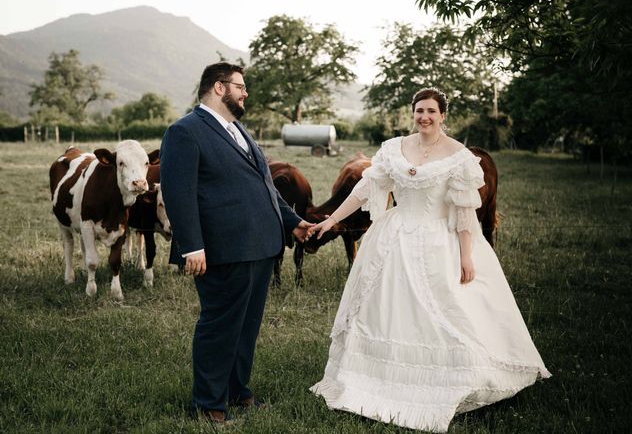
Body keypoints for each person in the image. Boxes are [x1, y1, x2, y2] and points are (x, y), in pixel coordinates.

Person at [309, 87, 550, 433]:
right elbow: (363, 190)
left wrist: (467, 256)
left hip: (440, 240)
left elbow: (465, 209)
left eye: (431, 112)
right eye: (419, 110)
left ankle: (459, 375)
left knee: (448, 311)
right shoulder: (395, 148)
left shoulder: (458, 155)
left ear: (443, 115)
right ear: (414, 113)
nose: (424, 117)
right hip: (394, 238)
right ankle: (375, 378)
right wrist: (332, 220)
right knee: (385, 310)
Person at [160, 62, 314, 424]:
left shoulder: (239, 130)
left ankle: (236, 391)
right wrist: (191, 246)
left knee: (246, 326)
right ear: (218, 87)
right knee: (220, 325)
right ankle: (209, 403)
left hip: (260, 246)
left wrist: (293, 223)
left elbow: (264, 185)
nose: (246, 93)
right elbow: (178, 193)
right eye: (240, 86)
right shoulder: (184, 131)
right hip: (220, 249)